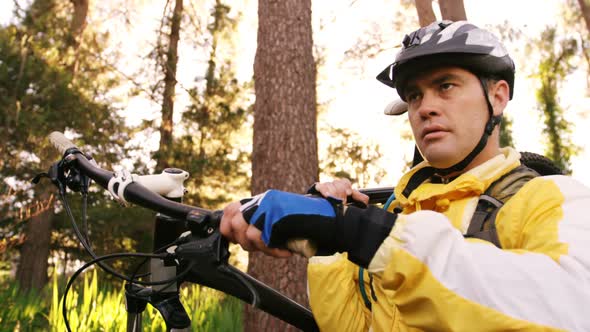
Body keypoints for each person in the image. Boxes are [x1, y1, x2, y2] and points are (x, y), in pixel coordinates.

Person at [220, 20, 590, 331]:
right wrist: (331, 248)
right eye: (414, 96)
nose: (425, 107)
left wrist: (365, 233)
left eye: (445, 86)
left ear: (497, 96)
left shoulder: (551, 198)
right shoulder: (401, 212)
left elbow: (573, 306)